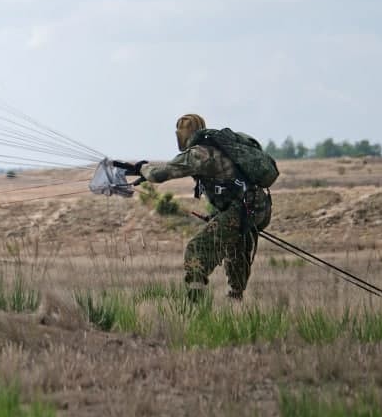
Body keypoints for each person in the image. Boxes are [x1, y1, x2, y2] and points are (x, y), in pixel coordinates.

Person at [116, 114, 274, 302]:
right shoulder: (215, 147)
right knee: (235, 250)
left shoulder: (199, 153)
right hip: (257, 207)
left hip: (242, 209)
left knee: (198, 249)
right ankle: (236, 299)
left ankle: (195, 302)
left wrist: (142, 168)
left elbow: (161, 173)